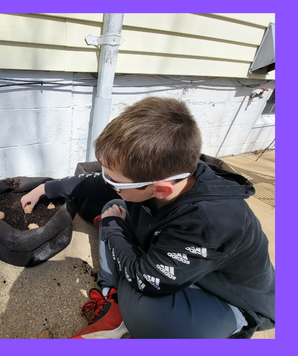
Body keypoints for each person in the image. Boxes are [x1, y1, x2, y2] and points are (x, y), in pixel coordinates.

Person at [20, 97, 275, 339]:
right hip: (178, 262)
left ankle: (223, 326)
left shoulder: (207, 222)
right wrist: (45, 189)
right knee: (115, 203)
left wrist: (111, 229)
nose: (106, 180)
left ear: (161, 189)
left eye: (114, 179)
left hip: (225, 296)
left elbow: (148, 282)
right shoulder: (165, 176)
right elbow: (97, 184)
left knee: (145, 314)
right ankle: (111, 290)